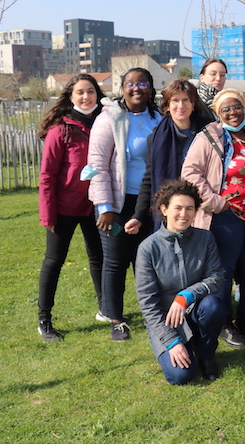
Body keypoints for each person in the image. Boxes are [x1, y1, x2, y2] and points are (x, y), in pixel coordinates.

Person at [181, 88, 245, 348]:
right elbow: (190, 172)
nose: (233, 112)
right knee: (224, 271)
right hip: (225, 216)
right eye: (226, 109)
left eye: (237, 107)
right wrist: (215, 202)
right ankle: (225, 323)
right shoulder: (208, 136)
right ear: (217, 112)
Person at [88, 67, 162, 341]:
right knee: (116, 261)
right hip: (117, 209)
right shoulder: (109, 119)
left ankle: (154, 313)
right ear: (122, 88)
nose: (137, 88)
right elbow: (96, 165)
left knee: (148, 261)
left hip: (151, 207)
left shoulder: (158, 119)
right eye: (130, 84)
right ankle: (116, 319)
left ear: (151, 88)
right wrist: (105, 207)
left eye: (143, 83)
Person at [135, 180, 226, 385]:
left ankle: (206, 354)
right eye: (178, 208)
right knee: (181, 376)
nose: (183, 214)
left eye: (189, 208)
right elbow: (148, 304)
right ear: (164, 209)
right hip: (167, 321)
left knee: (214, 305)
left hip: (196, 309)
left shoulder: (205, 238)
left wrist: (186, 295)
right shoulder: (148, 248)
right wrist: (172, 342)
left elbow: (216, 277)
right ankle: (182, 345)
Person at [36, 74, 106, 342]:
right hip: (63, 209)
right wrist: (48, 214)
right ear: (71, 96)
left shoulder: (104, 123)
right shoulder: (60, 130)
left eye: (90, 91)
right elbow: (47, 177)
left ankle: (106, 309)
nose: (86, 96)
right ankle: (44, 320)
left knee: (98, 258)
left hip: (96, 206)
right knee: (53, 262)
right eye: (80, 92)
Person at [126, 79, 213, 233]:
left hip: (205, 206)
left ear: (194, 104)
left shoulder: (210, 131)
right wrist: (138, 216)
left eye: (186, 100)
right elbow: (149, 178)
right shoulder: (156, 138)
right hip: (173, 209)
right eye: (175, 101)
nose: (181, 106)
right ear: (167, 105)